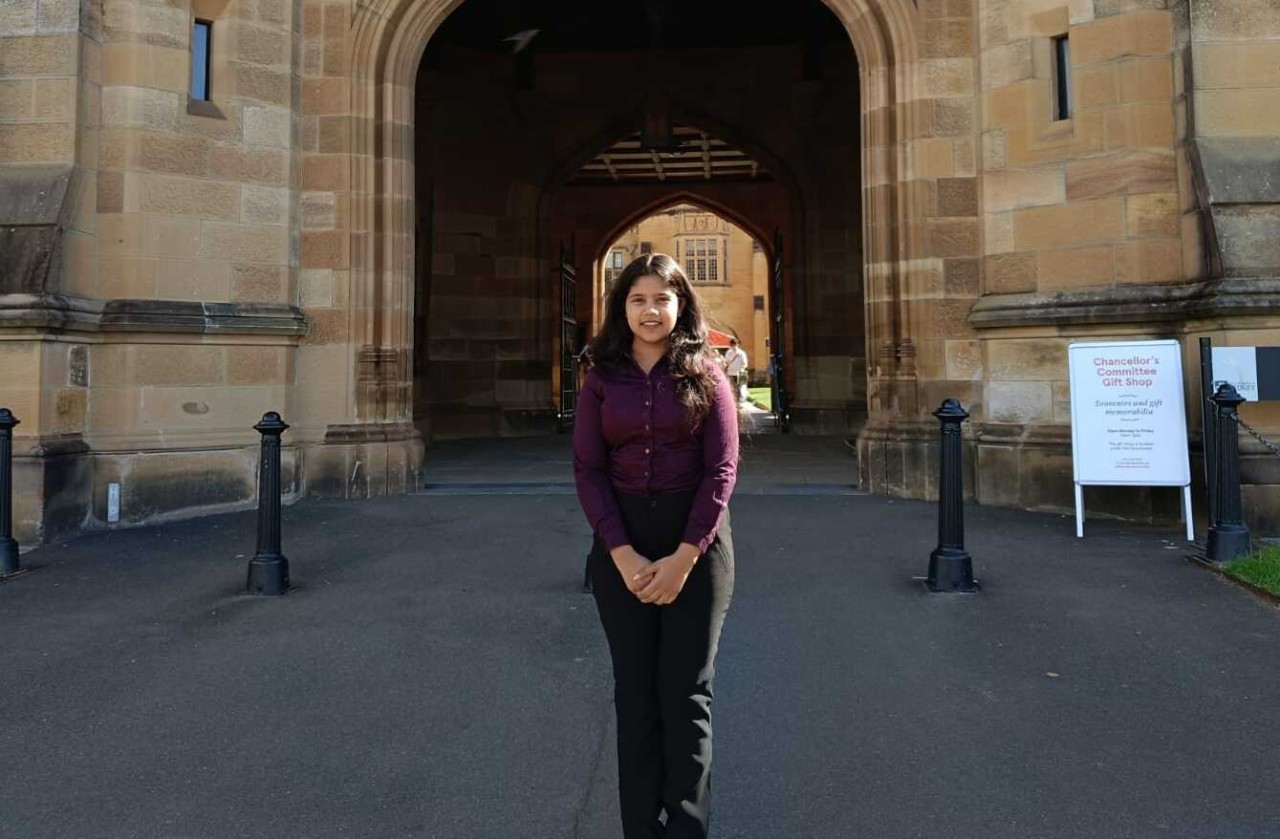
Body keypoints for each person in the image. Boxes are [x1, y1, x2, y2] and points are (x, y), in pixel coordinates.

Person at [573, 252, 738, 839]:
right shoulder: (602, 378)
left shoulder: (707, 373)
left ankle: (688, 829)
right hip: (622, 545)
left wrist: (684, 558)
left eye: (662, 299)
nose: (650, 310)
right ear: (622, 306)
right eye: (638, 298)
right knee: (636, 695)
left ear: (680, 305)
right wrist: (622, 555)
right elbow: (588, 471)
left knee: (687, 696)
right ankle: (640, 827)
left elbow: (721, 471)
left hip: (697, 546)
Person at [722, 338, 748, 402]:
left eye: (735, 344)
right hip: (730, 373)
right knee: (732, 388)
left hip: (740, 373)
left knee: (741, 388)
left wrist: (741, 369)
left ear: (737, 344)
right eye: (732, 344)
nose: (734, 346)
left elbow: (745, 364)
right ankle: (734, 401)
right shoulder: (728, 353)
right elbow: (726, 362)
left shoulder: (741, 353)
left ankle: (739, 401)